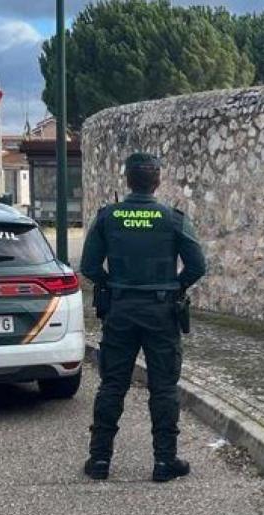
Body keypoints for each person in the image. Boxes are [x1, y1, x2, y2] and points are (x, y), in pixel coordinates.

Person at [79, 152, 206, 482]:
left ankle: (99, 460)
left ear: (127, 180)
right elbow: (197, 265)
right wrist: (174, 286)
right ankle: (164, 462)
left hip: (120, 310)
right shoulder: (173, 218)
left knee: (112, 385)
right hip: (161, 312)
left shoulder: (108, 216)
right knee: (163, 387)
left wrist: (113, 284)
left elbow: (89, 266)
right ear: (157, 181)